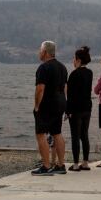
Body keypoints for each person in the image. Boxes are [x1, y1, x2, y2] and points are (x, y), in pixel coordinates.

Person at [31, 41, 68, 176]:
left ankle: (46, 166)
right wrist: (65, 103)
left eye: (40, 50)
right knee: (57, 133)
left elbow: (40, 89)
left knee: (40, 134)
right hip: (60, 103)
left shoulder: (43, 68)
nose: (39, 52)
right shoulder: (62, 67)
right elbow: (65, 87)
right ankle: (60, 165)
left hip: (47, 104)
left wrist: (36, 106)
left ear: (45, 52)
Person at [66, 46, 93, 171]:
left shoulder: (74, 74)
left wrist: (67, 111)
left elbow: (70, 96)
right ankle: (85, 162)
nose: (73, 60)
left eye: (74, 58)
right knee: (84, 135)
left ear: (78, 60)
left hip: (76, 110)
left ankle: (76, 164)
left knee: (75, 136)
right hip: (87, 108)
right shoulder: (89, 73)